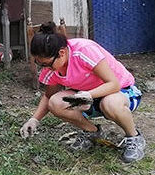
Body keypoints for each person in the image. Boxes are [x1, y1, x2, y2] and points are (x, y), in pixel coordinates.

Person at [19, 22, 146, 163]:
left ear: (61, 53)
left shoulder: (84, 51)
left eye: (46, 64)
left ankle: (134, 137)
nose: (44, 68)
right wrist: (34, 119)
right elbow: (49, 96)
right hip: (86, 98)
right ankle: (92, 132)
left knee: (110, 103)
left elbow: (113, 84)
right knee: (55, 103)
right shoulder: (52, 69)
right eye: (39, 63)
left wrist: (89, 94)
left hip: (121, 91)